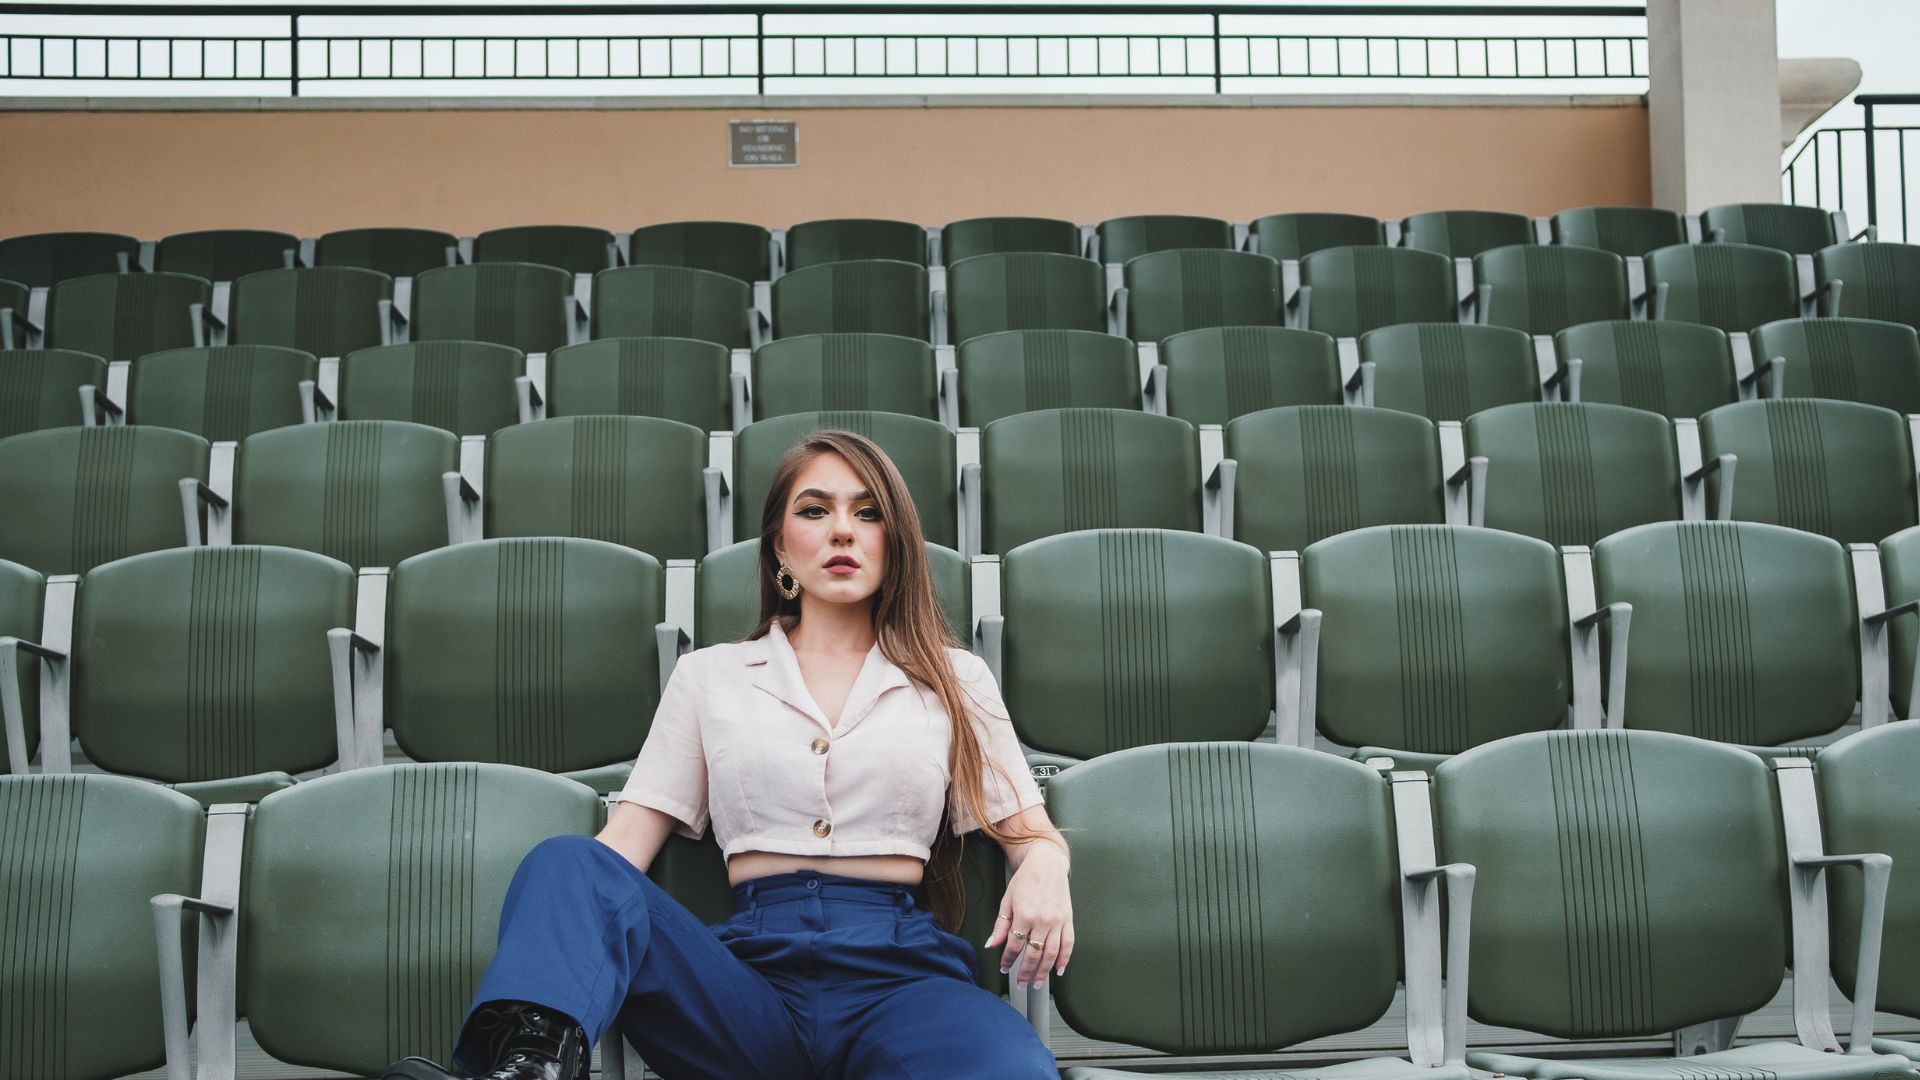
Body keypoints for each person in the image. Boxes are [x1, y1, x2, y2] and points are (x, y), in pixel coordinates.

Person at [386, 429, 1072, 1080]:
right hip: (743, 989)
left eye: (868, 513)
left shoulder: (953, 677)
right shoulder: (708, 675)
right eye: (815, 509)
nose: (842, 530)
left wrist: (1043, 862)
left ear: (895, 543)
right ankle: (528, 1067)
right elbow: (624, 847)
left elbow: (1026, 828)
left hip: (898, 980)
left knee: (1006, 1066)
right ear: (779, 546)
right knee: (568, 861)